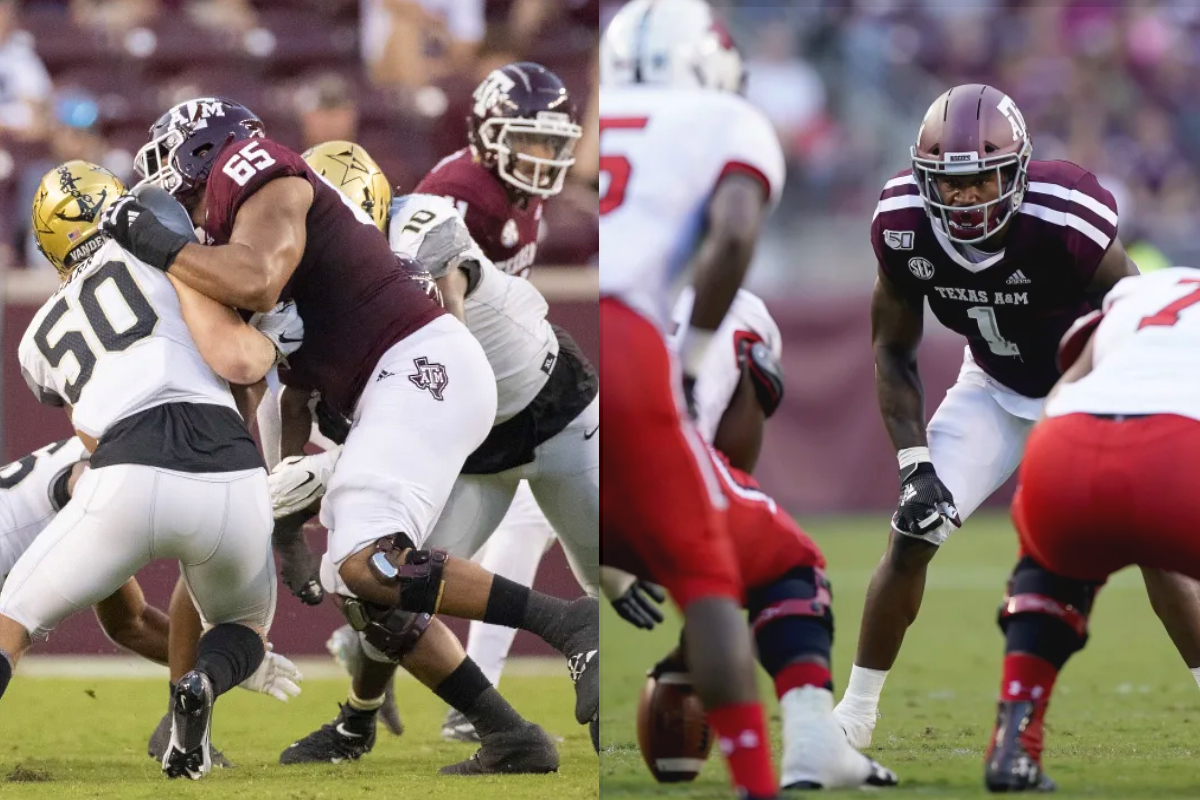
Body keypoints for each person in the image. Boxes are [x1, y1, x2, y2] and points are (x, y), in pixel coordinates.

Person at [102, 99, 598, 773]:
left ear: (199, 149)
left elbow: (259, 275)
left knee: (368, 560)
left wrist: (160, 244)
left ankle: (570, 625)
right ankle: (508, 734)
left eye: (165, 165)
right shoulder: (222, 241)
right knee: (360, 578)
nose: (163, 187)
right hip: (401, 386)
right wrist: (281, 527)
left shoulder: (254, 168)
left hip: (423, 366)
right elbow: (285, 391)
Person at [835, 83, 1200, 749]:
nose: (967, 198)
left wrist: (1112, 396)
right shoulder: (901, 223)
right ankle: (854, 714)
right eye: (952, 184)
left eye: (984, 180)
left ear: (1018, 171)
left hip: (1088, 384)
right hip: (993, 385)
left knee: (1154, 541)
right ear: (924, 180)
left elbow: (1131, 309)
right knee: (912, 533)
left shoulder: (1065, 213)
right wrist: (915, 470)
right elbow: (892, 350)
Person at [270, 139, 598, 763]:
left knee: (612, 570)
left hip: (543, 406)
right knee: (379, 580)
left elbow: (445, 331)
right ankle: (412, 726)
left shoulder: (421, 225)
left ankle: (641, 664)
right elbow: (294, 397)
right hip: (461, 429)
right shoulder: (305, 283)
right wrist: (288, 525)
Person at [2, 160, 299, 779]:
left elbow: (88, 427)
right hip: (230, 470)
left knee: (13, 623)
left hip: (126, 471)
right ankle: (202, 684)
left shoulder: (35, 339)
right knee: (245, 627)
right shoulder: (180, 260)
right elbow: (238, 371)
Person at [600, 1, 791, 797]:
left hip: (565, 322)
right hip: (631, 331)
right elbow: (737, 233)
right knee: (709, 575)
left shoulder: (600, 109)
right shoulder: (726, 115)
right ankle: (757, 782)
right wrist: (697, 354)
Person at [608, 286, 899, 789]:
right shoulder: (738, 310)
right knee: (790, 563)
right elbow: (729, 458)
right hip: (660, 468)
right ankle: (809, 747)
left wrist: (610, 574)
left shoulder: (616, 278)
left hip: (584, 473)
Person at [984, 267, 1200, 790]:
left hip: (1067, 443)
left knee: (1049, 569)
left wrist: (1042, 499)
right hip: (1176, 451)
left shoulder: (1141, 290)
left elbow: (1064, 389)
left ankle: (1014, 744)